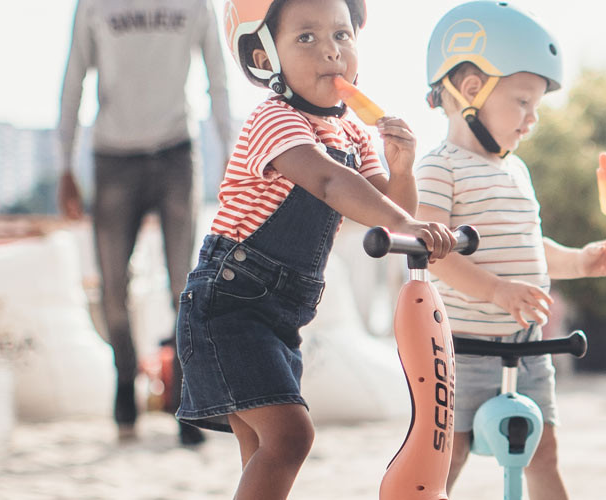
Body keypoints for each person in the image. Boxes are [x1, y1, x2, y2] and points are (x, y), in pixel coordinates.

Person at [174, 0, 457, 497]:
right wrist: (408, 219)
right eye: (306, 38)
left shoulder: (352, 131)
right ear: (264, 58)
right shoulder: (274, 120)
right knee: (291, 436)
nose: (331, 52)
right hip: (228, 304)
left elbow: (393, 221)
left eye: (342, 36)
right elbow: (328, 182)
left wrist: (403, 170)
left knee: (262, 451)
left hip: (281, 315)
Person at [413, 3, 606, 499]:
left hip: (528, 349)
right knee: (448, 455)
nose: (532, 119)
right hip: (461, 350)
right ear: (470, 91)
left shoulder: (516, 171)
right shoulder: (440, 168)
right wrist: (496, 290)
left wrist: (579, 261)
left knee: (543, 455)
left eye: (537, 107)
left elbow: (530, 247)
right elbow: (435, 252)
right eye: (523, 102)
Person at [57, 0, 238, 446]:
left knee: (184, 285)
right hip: (112, 156)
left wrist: (230, 153)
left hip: (177, 152)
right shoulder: (94, 6)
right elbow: (73, 81)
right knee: (112, 288)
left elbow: (218, 78)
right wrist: (65, 166)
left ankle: (184, 400)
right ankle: (125, 379)